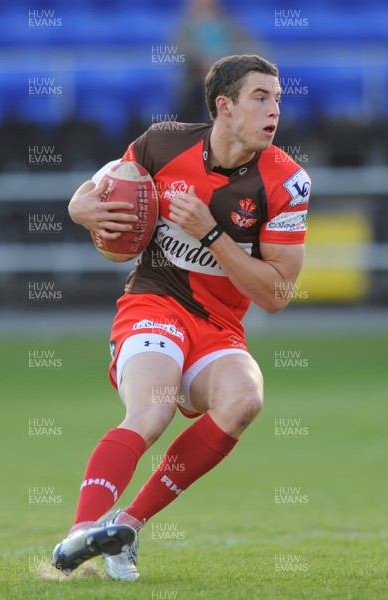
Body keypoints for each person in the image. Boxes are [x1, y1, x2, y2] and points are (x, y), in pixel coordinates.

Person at [51, 54, 311, 581]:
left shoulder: (287, 182)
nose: (273, 111)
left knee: (245, 399)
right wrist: (80, 208)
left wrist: (211, 234)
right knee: (152, 410)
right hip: (153, 305)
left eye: (278, 99)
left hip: (219, 326)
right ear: (225, 106)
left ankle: (124, 527)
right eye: (260, 98)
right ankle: (79, 534)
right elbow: (95, 189)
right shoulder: (162, 143)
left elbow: (278, 293)